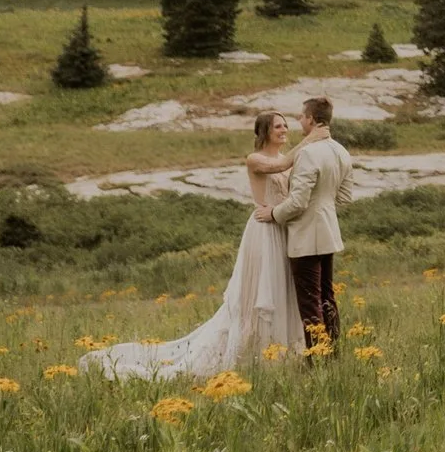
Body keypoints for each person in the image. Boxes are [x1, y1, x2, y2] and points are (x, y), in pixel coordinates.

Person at [80, 110, 304, 380]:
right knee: (259, 294)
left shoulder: (286, 160)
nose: (284, 130)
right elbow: (277, 168)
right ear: (265, 131)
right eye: (278, 126)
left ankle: (280, 354)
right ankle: (252, 351)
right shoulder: (256, 159)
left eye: (285, 125)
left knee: (282, 288)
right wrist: (313, 140)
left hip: (281, 226)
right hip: (263, 228)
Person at [261, 96, 353, 352]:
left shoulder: (309, 154)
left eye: (301, 117)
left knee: (310, 301)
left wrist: (273, 214)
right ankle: (333, 351)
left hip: (305, 236)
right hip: (329, 233)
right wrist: (322, 206)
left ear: (311, 119)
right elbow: (344, 198)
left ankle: (317, 358)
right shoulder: (341, 151)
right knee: (327, 297)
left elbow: (298, 202)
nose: (299, 121)